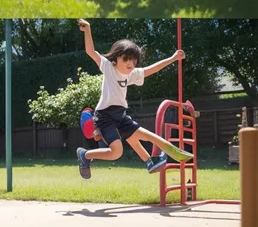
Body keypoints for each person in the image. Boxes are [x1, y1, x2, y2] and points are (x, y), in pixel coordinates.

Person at [76, 19, 193, 179]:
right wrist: (88, 30)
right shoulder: (108, 68)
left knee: (145, 135)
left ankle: (150, 161)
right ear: (116, 59)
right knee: (117, 152)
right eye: (126, 59)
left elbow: (151, 69)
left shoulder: (132, 74)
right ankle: (85, 155)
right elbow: (91, 52)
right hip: (105, 116)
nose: (130, 63)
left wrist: (172, 59)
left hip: (120, 115)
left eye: (134, 60)